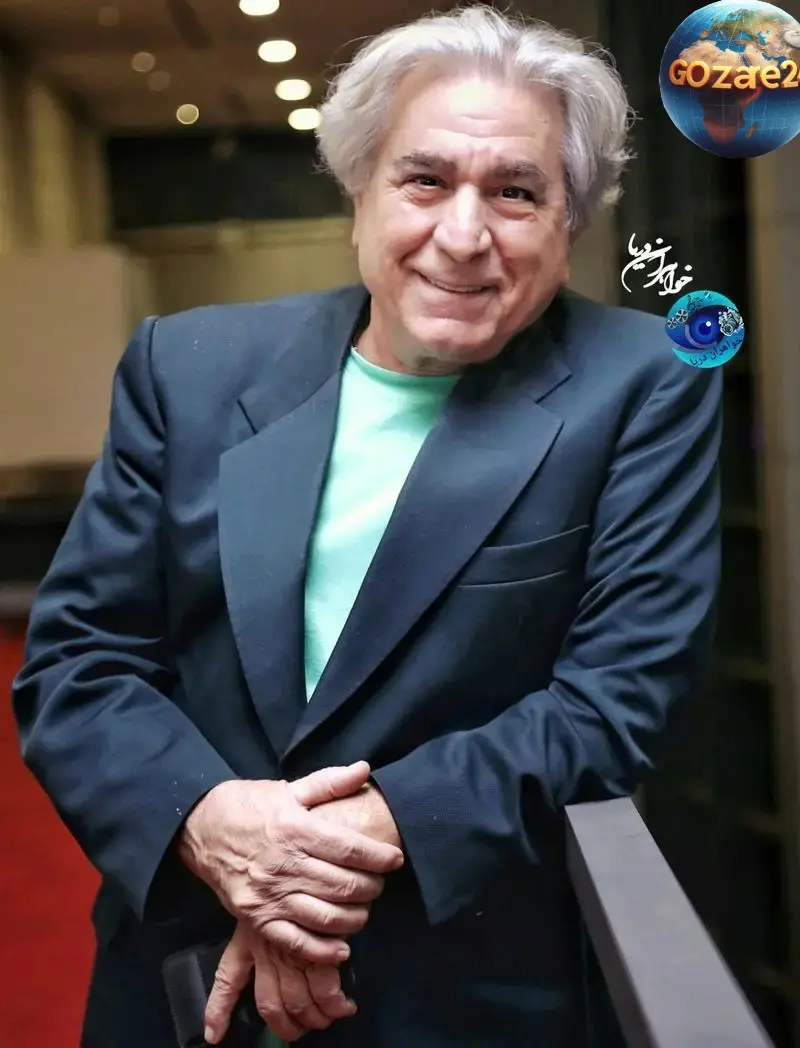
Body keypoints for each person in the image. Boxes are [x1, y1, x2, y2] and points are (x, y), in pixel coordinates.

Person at [12, 5, 721, 1047]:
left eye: (516, 192)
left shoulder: (645, 383)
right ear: (360, 188)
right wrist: (214, 824)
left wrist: (319, 856)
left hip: (458, 982)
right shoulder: (188, 366)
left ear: (569, 219)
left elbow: (614, 698)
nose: (463, 235)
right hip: (184, 968)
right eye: (424, 180)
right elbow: (79, 662)